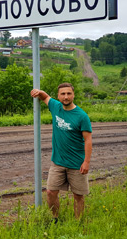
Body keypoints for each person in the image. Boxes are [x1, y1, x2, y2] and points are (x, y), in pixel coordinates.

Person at [30, 83, 92, 220]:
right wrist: (38, 92)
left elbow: (88, 140)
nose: (66, 97)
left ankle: (78, 222)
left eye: (69, 93)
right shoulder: (55, 107)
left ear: (73, 95)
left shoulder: (82, 116)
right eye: (63, 94)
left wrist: (86, 162)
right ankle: (55, 219)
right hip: (57, 162)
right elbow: (45, 97)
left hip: (77, 163)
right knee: (50, 192)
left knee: (78, 196)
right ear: (58, 96)